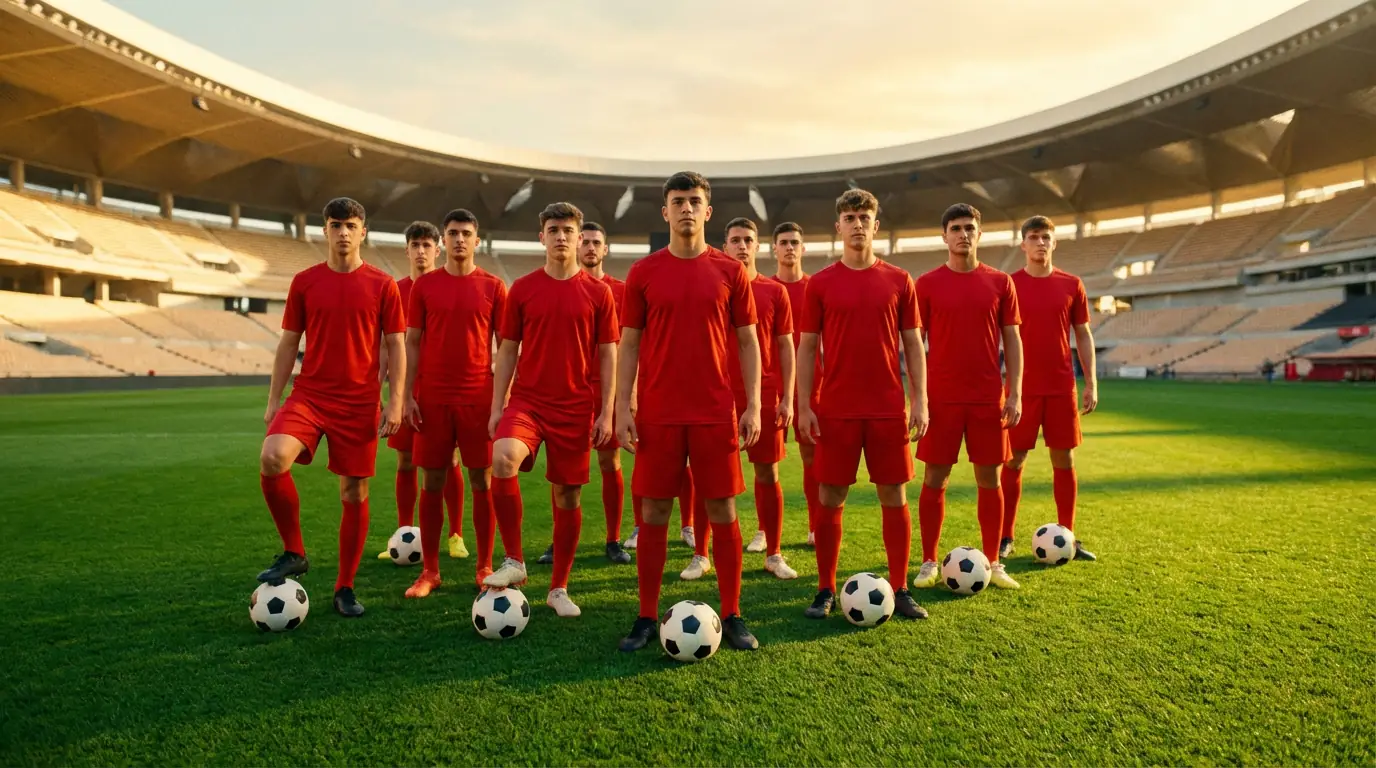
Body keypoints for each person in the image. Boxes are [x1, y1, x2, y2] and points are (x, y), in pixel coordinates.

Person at [616, 171, 763, 653]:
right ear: (665, 211)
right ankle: (644, 615)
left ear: (707, 211)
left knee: (721, 508)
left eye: (694, 201)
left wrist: (754, 404)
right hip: (658, 411)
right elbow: (630, 343)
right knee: (656, 511)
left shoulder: (731, 271)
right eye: (677, 201)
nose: (685, 208)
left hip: (714, 410)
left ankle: (733, 612)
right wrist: (623, 405)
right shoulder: (642, 273)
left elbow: (747, 340)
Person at [256, 197, 405, 617]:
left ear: (363, 232)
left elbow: (396, 345)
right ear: (325, 230)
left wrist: (394, 400)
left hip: (358, 401)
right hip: (310, 394)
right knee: (272, 457)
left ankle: (345, 587)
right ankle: (294, 551)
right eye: (336, 224)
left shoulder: (383, 285)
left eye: (351, 225)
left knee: (353, 490)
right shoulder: (305, 281)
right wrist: (274, 399)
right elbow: (289, 342)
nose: (343, 232)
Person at [795, 189, 929, 620]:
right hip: (835, 408)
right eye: (849, 217)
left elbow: (913, 344)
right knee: (830, 496)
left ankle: (902, 586)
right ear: (839, 226)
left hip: (888, 407)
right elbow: (807, 346)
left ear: (876, 225)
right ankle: (825, 589)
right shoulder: (821, 284)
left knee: (894, 493)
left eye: (864, 217)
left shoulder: (899, 280)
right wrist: (803, 404)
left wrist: (920, 400)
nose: (857, 224)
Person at [484, 203, 619, 618]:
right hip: (527, 401)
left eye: (568, 230)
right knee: (502, 458)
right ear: (541, 237)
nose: (561, 236)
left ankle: (559, 588)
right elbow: (507, 351)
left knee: (567, 493)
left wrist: (607, 411)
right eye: (553, 229)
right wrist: (497, 405)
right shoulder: (522, 289)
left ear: (580, 239)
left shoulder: (600, 294)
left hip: (576, 406)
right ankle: (514, 561)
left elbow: (609, 354)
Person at [680, 217, 798, 582]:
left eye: (749, 239)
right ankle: (702, 553)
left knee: (767, 472)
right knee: (706, 477)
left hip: (761, 395)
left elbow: (786, 348)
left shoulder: (775, 292)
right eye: (735, 240)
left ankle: (774, 552)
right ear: (725, 246)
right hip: (714, 396)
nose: (742, 246)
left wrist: (787, 398)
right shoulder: (712, 284)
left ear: (758, 246)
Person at [912, 203, 1023, 591]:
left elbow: (1013, 339)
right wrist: (918, 398)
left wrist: (1015, 392)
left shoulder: (1000, 282)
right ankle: (928, 562)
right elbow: (914, 343)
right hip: (941, 399)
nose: (963, 234)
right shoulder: (925, 284)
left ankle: (993, 562)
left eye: (969, 228)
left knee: (990, 479)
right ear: (944, 236)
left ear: (979, 233)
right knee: (934, 478)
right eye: (956, 228)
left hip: (987, 398)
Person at [398, 209, 504, 597]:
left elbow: (506, 347)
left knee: (482, 480)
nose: (460, 239)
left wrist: (502, 397)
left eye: (467, 233)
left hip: (479, 396)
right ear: (444, 241)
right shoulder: (425, 287)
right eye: (453, 233)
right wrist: (407, 394)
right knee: (432, 480)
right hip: (434, 397)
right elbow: (411, 342)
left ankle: (485, 565)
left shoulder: (494, 287)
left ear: (477, 241)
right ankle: (429, 571)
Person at [533, 221, 633, 566]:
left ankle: (613, 539)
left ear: (605, 250)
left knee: (610, 461)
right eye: (585, 241)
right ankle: (557, 541)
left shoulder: (619, 291)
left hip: (606, 389)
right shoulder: (565, 287)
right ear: (577, 246)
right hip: (566, 390)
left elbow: (631, 346)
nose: (590, 247)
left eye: (596, 243)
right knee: (560, 472)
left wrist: (627, 395)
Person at [1001, 217, 1098, 561]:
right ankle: (1004, 536)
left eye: (1046, 237)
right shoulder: (1008, 285)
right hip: (1020, 389)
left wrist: (1091, 381)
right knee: (1013, 460)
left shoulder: (1072, 284)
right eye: (1033, 238)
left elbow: (1083, 334)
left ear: (1054, 243)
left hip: (1061, 386)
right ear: (1023, 244)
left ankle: (1068, 536)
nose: (1040, 243)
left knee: (1064, 458)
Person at [377, 222, 468, 561]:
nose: (420, 251)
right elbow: (386, 348)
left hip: (443, 389)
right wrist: (382, 395)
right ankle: (405, 534)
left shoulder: (447, 286)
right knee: (404, 461)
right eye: (414, 245)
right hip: (406, 390)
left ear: (437, 249)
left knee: (449, 460)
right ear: (406, 250)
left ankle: (455, 534)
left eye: (427, 245)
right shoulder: (394, 291)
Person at [770, 221, 822, 548]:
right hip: (769, 384)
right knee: (766, 463)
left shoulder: (816, 287)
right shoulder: (762, 288)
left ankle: (816, 526)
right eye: (784, 242)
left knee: (811, 457)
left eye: (795, 242)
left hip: (811, 384)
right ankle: (765, 531)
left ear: (803, 249)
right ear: (774, 249)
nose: (789, 248)